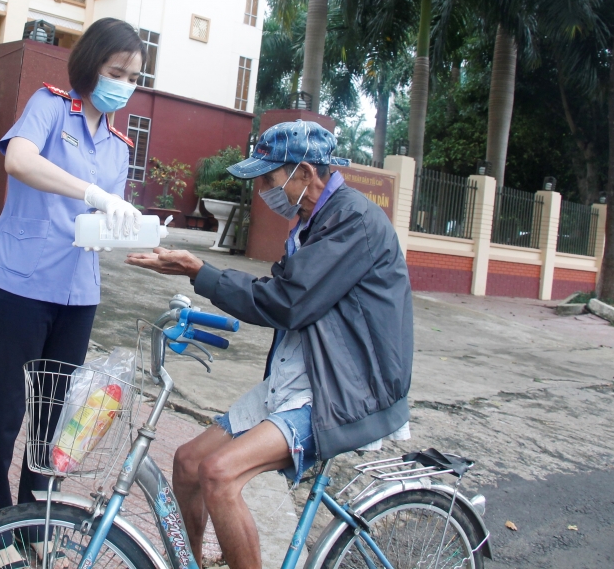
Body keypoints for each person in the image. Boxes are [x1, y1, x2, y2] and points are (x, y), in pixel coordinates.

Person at [125, 120, 413, 569]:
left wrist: (199, 272)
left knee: (219, 475)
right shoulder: (311, 221)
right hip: (297, 378)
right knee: (187, 465)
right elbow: (279, 290)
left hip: (338, 391)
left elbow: (287, 301)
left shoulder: (352, 221)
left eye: (270, 178)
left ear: (304, 172)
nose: (264, 189)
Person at [0, 18, 146, 567]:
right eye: (116, 71)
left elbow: (101, 217)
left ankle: (34, 522)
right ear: (91, 64)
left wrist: (133, 230)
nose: (123, 82)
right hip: (21, 282)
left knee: (52, 419)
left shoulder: (119, 144)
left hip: (77, 293)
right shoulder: (50, 106)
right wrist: (91, 191)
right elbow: (18, 160)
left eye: (133, 76)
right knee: (5, 411)